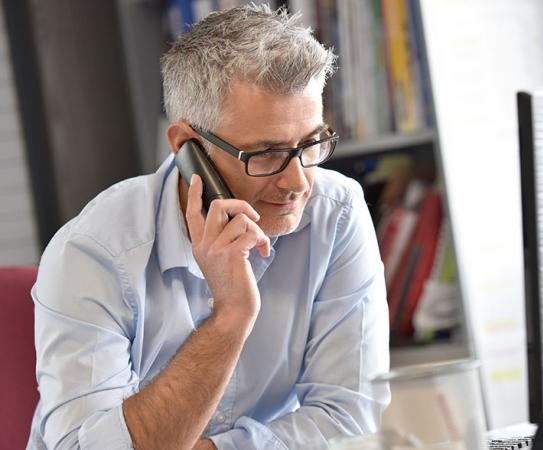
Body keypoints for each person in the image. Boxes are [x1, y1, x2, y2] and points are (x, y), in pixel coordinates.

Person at [27, 5, 389, 450]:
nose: (298, 182)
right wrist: (230, 318)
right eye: (267, 153)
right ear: (187, 147)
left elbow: (353, 416)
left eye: (311, 143)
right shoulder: (93, 253)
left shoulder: (336, 213)